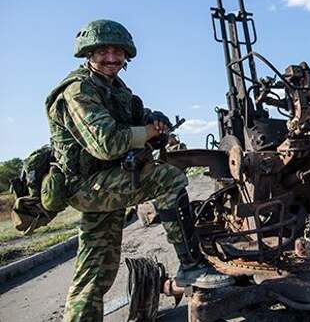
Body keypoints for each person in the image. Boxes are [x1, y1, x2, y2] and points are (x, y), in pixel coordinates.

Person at [46, 19, 233, 322]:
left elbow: (135, 118)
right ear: (88, 53)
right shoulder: (78, 90)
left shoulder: (114, 88)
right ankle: (190, 265)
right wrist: (147, 130)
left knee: (96, 272)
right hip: (90, 186)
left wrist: (155, 122)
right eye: (103, 51)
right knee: (168, 179)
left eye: (117, 52)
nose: (111, 58)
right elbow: (107, 143)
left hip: (105, 183)